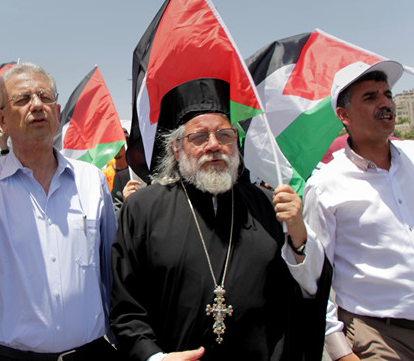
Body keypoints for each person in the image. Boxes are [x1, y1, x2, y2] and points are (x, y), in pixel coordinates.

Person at [110, 79, 331, 361]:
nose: (214, 145)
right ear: (177, 149)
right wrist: (156, 358)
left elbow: (307, 290)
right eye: (199, 137)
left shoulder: (266, 204)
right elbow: (126, 304)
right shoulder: (142, 209)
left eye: (224, 135)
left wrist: (299, 236)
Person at [0, 63, 119, 360]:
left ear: (57, 114)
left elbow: (112, 269)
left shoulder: (91, 180)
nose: (36, 105)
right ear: (2, 120)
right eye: (22, 99)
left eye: (45, 97)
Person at [303, 60, 414, 360]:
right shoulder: (326, 184)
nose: (385, 103)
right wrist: (340, 352)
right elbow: (315, 277)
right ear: (344, 115)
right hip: (380, 337)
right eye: (371, 97)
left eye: (387, 95)